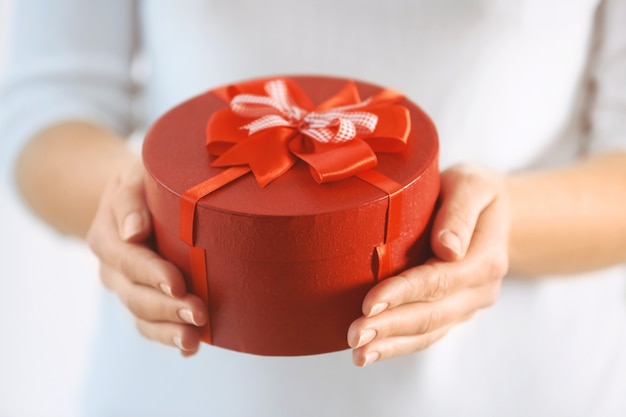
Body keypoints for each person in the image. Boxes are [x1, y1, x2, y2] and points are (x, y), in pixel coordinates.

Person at [1, 0, 625, 416]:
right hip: (179, 386)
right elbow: (46, 102)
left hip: (510, 390)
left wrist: (500, 218)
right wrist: (134, 211)